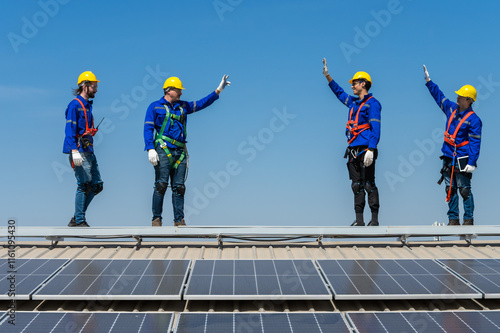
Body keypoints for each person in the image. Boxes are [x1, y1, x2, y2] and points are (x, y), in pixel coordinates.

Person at [144, 75, 231, 227]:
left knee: (179, 187)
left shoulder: (183, 106)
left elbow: (202, 103)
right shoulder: (155, 107)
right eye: (178, 90)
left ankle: (179, 220)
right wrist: (150, 148)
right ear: (169, 90)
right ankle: (156, 219)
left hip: (180, 151)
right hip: (163, 150)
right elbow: (148, 128)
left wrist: (218, 91)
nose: (181, 93)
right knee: (161, 185)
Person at [322, 58, 382, 226]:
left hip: (366, 149)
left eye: (354, 83)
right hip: (353, 149)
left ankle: (375, 220)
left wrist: (372, 148)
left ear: (363, 84)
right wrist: (328, 76)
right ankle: (359, 220)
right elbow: (340, 93)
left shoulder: (373, 104)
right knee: (356, 186)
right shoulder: (353, 103)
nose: (352, 86)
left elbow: (375, 128)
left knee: (369, 184)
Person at [423, 65, 482, 226]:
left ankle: (468, 220)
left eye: (461, 97)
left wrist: (471, 162)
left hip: (463, 157)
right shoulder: (451, 109)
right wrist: (429, 82)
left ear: (468, 100)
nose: (457, 98)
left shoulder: (474, 120)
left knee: (464, 189)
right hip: (448, 155)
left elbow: (475, 142)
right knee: (450, 188)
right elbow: (439, 96)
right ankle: (453, 219)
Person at [63, 71, 103, 227]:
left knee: (97, 185)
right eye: (94, 86)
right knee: (84, 184)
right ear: (85, 86)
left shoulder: (87, 106)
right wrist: (74, 151)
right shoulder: (75, 105)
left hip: (89, 151)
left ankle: (76, 217)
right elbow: (69, 130)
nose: (96, 90)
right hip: (79, 151)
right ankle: (79, 220)